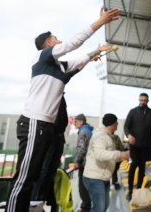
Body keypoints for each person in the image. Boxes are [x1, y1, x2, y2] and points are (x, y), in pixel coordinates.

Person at [5, 6, 120, 212]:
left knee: (33, 177)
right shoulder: (42, 56)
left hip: (45, 126)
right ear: (48, 44)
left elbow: (81, 59)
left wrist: (96, 52)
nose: (59, 40)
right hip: (34, 122)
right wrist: (100, 22)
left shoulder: (59, 66)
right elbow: (72, 43)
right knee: (24, 179)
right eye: (55, 38)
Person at [31, 64, 87, 203]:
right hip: (49, 136)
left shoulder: (60, 94)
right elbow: (67, 75)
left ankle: (43, 200)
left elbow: (69, 74)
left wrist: (87, 60)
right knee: (43, 170)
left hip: (59, 137)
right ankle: (35, 201)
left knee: (51, 170)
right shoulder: (47, 89)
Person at [83, 114, 130, 212]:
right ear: (113, 123)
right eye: (116, 122)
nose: (117, 124)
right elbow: (100, 155)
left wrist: (119, 158)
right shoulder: (101, 136)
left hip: (103, 177)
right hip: (95, 178)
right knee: (99, 208)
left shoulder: (108, 136)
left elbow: (107, 156)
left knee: (103, 207)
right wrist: (119, 154)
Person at [124, 93, 151, 201]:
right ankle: (130, 190)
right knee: (133, 165)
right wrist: (129, 135)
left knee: (142, 168)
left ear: (148, 101)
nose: (143, 102)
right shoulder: (133, 112)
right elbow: (126, 126)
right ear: (138, 100)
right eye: (141, 100)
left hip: (146, 145)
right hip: (134, 145)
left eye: (145, 100)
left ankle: (139, 190)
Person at [73, 114, 94, 212]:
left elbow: (82, 148)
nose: (74, 123)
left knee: (83, 187)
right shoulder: (88, 130)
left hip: (84, 164)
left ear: (81, 122)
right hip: (88, 163)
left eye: (76, 121)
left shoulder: (83, 132)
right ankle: (86, 206)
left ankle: (85, 208)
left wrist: (77, 161)